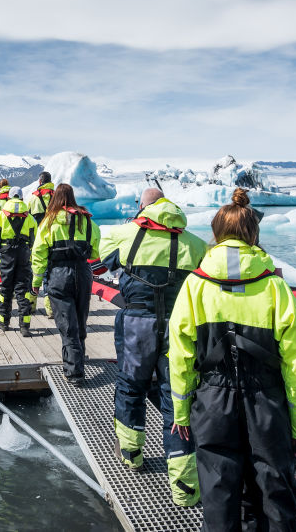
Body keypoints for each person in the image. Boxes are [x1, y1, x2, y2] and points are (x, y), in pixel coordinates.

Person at [168, 188, 296, 531]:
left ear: (216, 234)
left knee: (218, 490)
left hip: (213, 401)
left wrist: (181, 412)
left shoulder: (195, 286)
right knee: (275, 488)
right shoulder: (276, 288)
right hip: (267, 402)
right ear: (253, 234)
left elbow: (180, 355)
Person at [99, 188, 208, 506]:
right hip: (179, 332)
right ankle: (185, 489)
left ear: (143, 208)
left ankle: (131, 455)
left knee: (130, 388)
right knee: (177, 403)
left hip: (136, 327)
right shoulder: (195, 244)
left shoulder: (123, 233)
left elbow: (101, 264)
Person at [31, 184, 101, 383]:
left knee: (66, 323)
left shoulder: (49, 221)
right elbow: (96, 252)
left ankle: (74, 372)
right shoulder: (88, 221)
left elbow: (39, 253)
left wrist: (36, 281)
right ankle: (79, 359)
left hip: (59, 273)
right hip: (82, 273)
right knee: (80, 319)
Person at [0, 186, 36, 335]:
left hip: (7, 255)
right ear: (22, 198)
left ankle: (4, 323)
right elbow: (34, 239)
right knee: (23, 290)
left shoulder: (1, 216)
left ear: (9, 198)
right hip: (23, 255)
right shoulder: (29, 217)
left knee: (5, 289)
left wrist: (3, 249)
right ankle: (25, 326)